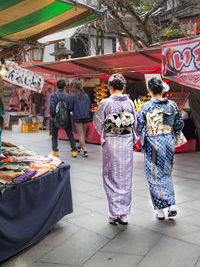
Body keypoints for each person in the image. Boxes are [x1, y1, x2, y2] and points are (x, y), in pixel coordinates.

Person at [137, 77, 184, 220]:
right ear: (162, 89)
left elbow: (139, 127)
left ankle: (161, 210)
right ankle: (171, 206)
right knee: (166, 172)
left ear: (149, 90)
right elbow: (179, 123)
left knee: (153, 176)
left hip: (153, 142)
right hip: (168, 141)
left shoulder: (145, 107)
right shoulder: (172, 105)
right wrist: (172, 134)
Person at [94, 74, 138, 225]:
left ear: (110, 87)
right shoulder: (130, 103)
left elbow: (98, 122)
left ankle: (114, 213)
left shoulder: (105, 103)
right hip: (126, 143)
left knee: (111, 176)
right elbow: (135, 125)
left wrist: (105, 132)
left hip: (112, 143)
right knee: (125, 177)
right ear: (123, 87)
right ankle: (124, 214)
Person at [50, 79, 77, 158]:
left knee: (54, 135)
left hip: (56, 118)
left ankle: (55, 151)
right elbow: (70, 107)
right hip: (66, 118)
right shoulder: (68, 96)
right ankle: (74, 151)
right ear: (65, 87)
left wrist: (53, 116)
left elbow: (52, 107)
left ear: (57, 86)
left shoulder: (53, 95)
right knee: (70, 134)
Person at [68, 80, 91, 158]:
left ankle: (85, 151)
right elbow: (90, 105)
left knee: (81, 134)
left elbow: (70, 107)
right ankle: (79, 147)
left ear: (74, 86)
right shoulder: (86, 95)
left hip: (78, 116)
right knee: (83, 134)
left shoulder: (72, 95)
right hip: (86, 116)